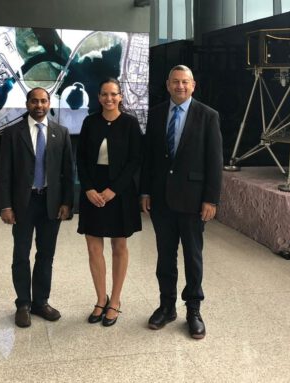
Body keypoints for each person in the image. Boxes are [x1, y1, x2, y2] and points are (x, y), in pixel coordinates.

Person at [140, 65, 223, 339]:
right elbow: (149, 158)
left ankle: (193, 309)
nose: (180, 86)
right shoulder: (155, 114)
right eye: (175, 82)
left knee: (193, 257)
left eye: (185, 82)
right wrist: (145, 192)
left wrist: (211, 199)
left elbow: (215, 161)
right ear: (167, 84)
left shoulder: (208, 116)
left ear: (193, 85)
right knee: (165, 257)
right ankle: (166, 306)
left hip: (194, 201)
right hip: (161, 200)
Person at [0, 87, 74, 328]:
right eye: (34, 101)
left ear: (49, 103)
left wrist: (67, 203)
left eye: (43, 101)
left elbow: (67, 172)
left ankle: (41, 302)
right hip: (23, 203)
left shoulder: (60, 133)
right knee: (21, 254)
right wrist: (6, 206)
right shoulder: (12, 133)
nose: (39, 105)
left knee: (46, 254)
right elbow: (4, 173)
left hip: (51, 204)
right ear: (27, 103)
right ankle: (23, 303)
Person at [76, 78, 142, 327]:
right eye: (104, 94)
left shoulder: (130, 123)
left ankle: (115, 300)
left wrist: (114, 189)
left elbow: (135, 160)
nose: (109, 98)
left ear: (121, 96)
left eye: (113, 94)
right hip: (92, 191)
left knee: (119, 246)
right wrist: (89, 189)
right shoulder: (89, 122)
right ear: (99, 97)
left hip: (120, 191)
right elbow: (80, 159)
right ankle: (100, 299)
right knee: (94, 247)